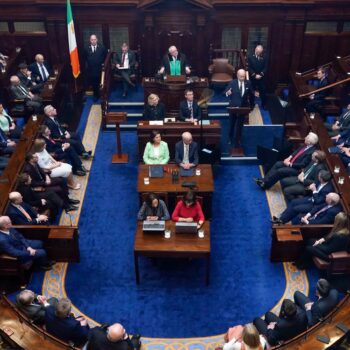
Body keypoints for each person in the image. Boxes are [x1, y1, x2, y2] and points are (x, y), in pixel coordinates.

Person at [254, 132, 318, 190]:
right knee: (278, 164)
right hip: (291, 162)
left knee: (280, 171)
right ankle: (264, 180)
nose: (305, 138)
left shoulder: (311, 152)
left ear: (309, 142)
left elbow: (302, 164)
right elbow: (296, 152)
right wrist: (289, 157)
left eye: (306, 138)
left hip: (296, 169)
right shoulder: (305, 145)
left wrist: (290, 164)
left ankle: (265, 185)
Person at [224, 69, 254, 152]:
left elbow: (251, 94)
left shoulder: (248, 83)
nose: (242, 78)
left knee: (240, 125)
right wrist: (228, 93)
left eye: (243, 76)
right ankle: (230, 138)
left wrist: (251, 106)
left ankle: (238, 140)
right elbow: (225, 92)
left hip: (243, 108)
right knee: (232, 124)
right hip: (233, 108)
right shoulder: (232, 83)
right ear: (237, 75)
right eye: (241, 76)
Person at [84, 34, 107, 101]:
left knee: (101, 83)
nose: (93, 41)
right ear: (90, 40)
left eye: (94, 39)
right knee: (94, 84)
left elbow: (105, 57)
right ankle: (96, 95)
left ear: (97, 40)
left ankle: (102, 95)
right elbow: (84, 58)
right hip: (91, 70)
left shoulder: (102, 48)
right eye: (92, 40)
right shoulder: (86, 48)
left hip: (100, 70)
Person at [248, 44, 268, 109]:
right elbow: (249, 67)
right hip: (253, 77)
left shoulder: (264, 56)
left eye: (260, 52)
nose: (259, 53)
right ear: (255, 50)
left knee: (263, 91)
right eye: (258, 52)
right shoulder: (250, 56)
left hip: (261, 78)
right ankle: (251, 104)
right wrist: (254, 75)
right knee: (252, 91)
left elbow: (266, 67)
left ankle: (264, 104)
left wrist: (261, 75)